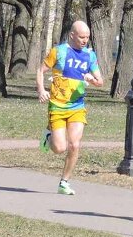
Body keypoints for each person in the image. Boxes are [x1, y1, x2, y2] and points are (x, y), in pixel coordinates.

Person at [37, 20, 104, 195]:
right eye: (82, 37)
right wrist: (41, 90)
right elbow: (40, 70)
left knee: (74, 145)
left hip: (77, 106)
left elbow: (100, 82)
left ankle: (64, 182)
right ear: (72, 35)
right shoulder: (58, 51)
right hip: (57, 106)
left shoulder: (90, 55)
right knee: (60, 148)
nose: (85, 40)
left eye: (87, 37)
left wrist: (91, 79)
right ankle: (49, 133)